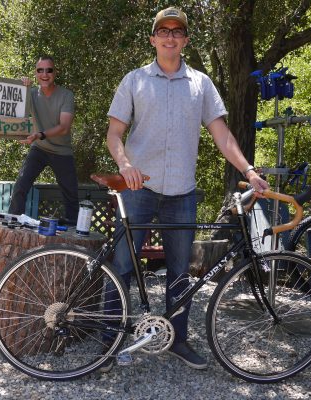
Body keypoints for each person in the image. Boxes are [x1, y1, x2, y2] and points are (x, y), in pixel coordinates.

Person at [103, 7, 269, 370]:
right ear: (153, 39)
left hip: (182, 191)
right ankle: (108, 340)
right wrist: (125, 165)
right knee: (121, 265)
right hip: (138, 188)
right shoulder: (134, 80)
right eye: (163, 30)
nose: (170, 36)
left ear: (186, 40)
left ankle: (177, 339)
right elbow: (114, 134)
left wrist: (249, 169)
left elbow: (222, 135)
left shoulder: (201, 84)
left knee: (180, 272)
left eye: (177, 31)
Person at [8, 56, 79, 224]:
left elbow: (64, 127)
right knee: (20, 186)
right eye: (40, 70)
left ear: (55, 73)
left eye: (49, 70)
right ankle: (13, 222)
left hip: (62, 151)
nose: (45, 74)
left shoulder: (66, 95)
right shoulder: (30, 94)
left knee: (71, 193)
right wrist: (22, 87)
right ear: (35, 73)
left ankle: (73, 232)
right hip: (39, 149)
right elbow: (12, 106)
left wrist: (39, 134)